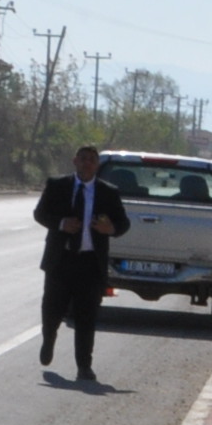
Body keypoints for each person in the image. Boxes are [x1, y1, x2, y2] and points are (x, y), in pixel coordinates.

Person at [32, 144, 130, 385]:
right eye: (83, 159)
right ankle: (48, 340)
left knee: (87, 317)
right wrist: (61, 223)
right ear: (75, 161)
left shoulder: (108, 192)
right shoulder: (57, 186)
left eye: (92, 160)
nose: (87, 163)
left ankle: (84, 366)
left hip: (90, 263)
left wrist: (112, 229)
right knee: (52, 309)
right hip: (60, 260)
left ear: (97, 165)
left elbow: (123, 223)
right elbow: (40, 214)